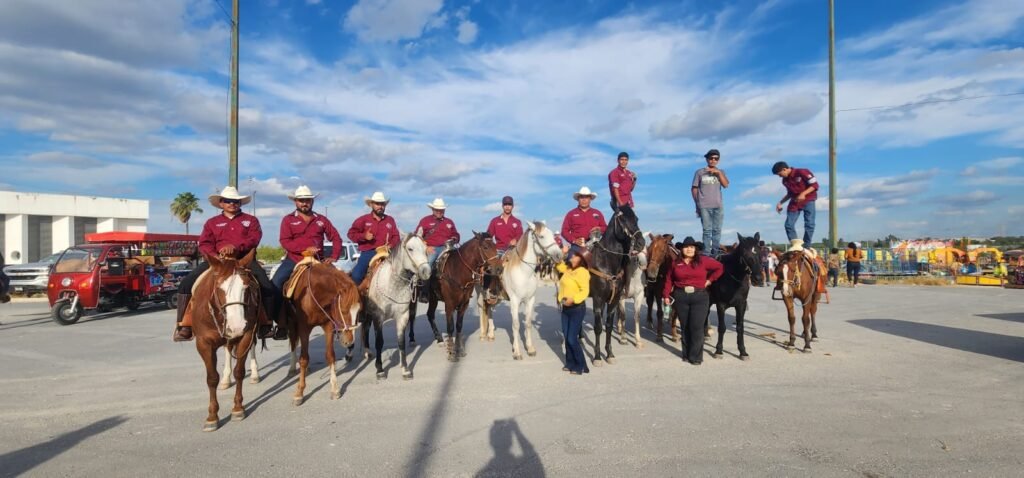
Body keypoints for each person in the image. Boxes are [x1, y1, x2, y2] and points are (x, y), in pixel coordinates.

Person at [174, 186, 276, 342]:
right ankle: (184, 324)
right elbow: (204, 243)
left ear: (240, 203)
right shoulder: (212, 223)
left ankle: (266, 323)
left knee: (266, 285)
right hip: (217, 262)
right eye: (228, 201)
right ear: (221, 203)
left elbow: (254, 239)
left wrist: (236, 247)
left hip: (243, 261)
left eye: (235, 201)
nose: (232, 203)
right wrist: (216, 255)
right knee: (186, 284)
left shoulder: (251, 220)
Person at [273, 185, 343, 333]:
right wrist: (303, 249)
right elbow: (285, 240)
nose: (305, 203)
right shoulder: (288, 220)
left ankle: (339, 319)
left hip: (318, 260)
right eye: (301, 200)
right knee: (276, 282)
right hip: (295, 258)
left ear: (312, 202)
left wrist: (334, 256)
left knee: (341, 283)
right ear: (296, 202)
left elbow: (336, 237)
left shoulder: (321, 220)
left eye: (308, 200)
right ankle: (280, 322)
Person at [662, 237, 723, 365]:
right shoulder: (675, 263)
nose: (689, 249)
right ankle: (686, 353)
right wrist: (666, 295)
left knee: (696, 327)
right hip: (680, 296)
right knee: (685, 327)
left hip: (699, 297)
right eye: (686, 247)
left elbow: (720, 268)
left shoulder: (703, 261)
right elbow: (668, 280)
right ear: (681, 249)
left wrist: (710, 280)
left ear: (696, 249)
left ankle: (695, 356)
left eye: (692, 247)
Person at [348, 191, 401, 285]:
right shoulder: (363, 219)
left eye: (382, 204)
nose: (380, 206)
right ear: (372, 205)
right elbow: (351, 234)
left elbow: (396, 236)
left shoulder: (390, 220)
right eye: (377, 204)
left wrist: (391, 245)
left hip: (387, 252)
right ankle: (356, 297)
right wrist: (364, 236)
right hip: (369, 252)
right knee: (356, 275)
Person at [557, 249, 590, 375]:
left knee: (572, 338)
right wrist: (561, 253)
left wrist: (573, 299)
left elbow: (584, 291)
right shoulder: (568, 269)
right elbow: (558, 264)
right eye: (571, 256)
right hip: (565, 308)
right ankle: (570, 363)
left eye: (574, 256)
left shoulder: (583, 272)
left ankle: (580, 366)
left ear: (581, 259)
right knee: (566, 336)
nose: (571, 258)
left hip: (577, 308)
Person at [772, 161, 819, 251]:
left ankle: (806, 246)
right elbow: (790, 193)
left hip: (808, 199)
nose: (779, 176)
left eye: (779, 174)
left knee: (809, 223)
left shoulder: (802, 172)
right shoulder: (785, 181)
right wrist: (780, 202)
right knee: (788, 224)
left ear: (784, 169)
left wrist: (804, 194)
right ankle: (796, 246)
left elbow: (815, 185)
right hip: (795, 201)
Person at [692, 149, 729, 256]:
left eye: (716, 158)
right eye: (711, 158)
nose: (713, 160)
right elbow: (694, 189)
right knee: (707, 230)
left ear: (718, 160)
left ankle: (716, 252)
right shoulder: (700, 172)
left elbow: (726, 185)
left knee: (717, 230)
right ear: (707, 159)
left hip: (718, 205)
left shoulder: (721, 172)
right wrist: (697, 204)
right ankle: (707, 252)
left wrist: (718, 173)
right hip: (704, 205)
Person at [560, 186, 607, 255]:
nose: (584, 200)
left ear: (590, 199)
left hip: (596, 245)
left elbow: (605, 228)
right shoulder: (571, 214)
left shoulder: (597, 213)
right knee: (573, 261)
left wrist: (599, 228)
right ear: (578, 199)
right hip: (577, 246)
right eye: (582, 197)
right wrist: (574, 240)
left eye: (587, 197)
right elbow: (564, 231)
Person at [416, 198, 461, 268]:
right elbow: (417, 236)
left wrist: (454, 238)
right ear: (433, 209)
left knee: (460, 259)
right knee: (428, 264)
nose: (439, 211)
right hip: (432, 248)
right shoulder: (425, 220)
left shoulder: (449, 221)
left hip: (447, 248)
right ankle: (424, 278)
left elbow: (455, 234)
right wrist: (426, 247)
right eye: (437, 210)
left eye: (441, 210)